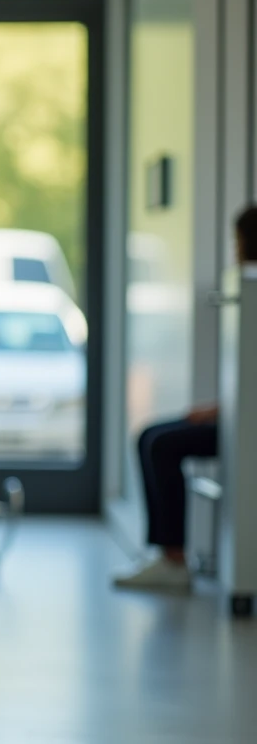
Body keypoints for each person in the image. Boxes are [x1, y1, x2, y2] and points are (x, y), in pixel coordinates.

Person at [114, 205, 257, 592]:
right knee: (149, 435)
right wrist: (218, 411)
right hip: (238, 416)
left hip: (248, 424)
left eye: (237, 241)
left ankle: (174, 561)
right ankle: (167, 555)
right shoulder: (246, 290)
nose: (235, 249)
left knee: (162, 444)